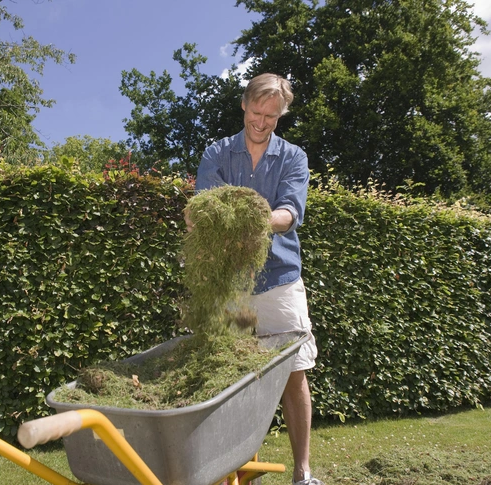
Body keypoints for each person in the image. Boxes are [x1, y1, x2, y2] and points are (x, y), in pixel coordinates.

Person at [187, 73, 322, 485]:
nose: (262, 122)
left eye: (272, 116)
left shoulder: (293, 157)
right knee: (229, 375)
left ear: (281, 115)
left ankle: (303, 472)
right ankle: (234, 467)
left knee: (293, 373)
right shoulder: (218, 152)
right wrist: (198, 218)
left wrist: (258, 220)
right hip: (231, 287)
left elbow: (288, 212)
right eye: (256, 112)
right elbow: (201, 209)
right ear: (244, 105)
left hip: (280, 280)